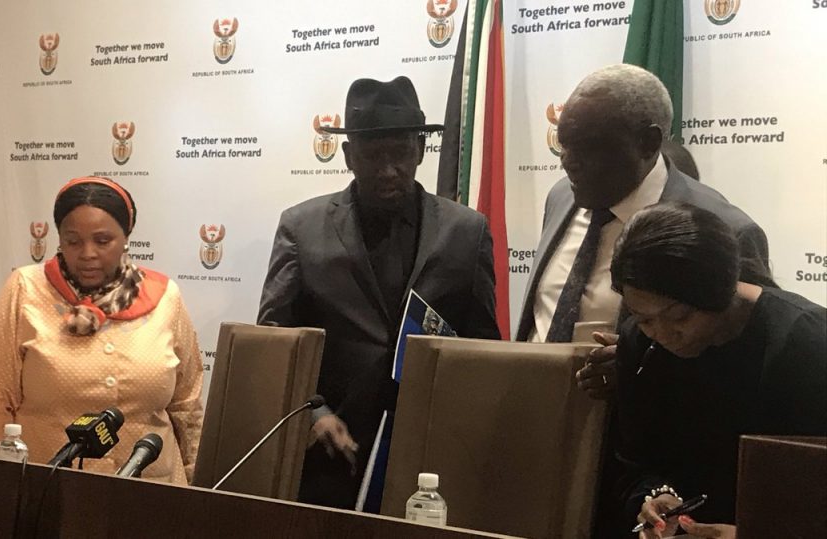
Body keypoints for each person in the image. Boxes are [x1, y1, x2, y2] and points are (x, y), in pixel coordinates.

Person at [258, 76, 500, 509]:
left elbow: (483, 348)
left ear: (420, 150)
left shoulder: (468, 232)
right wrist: (314, 414)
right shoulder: (301, 228)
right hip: (330, 457)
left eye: (401, 153)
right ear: (348, 155)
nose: (389, 169)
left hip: (431, 459)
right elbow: (276, 343)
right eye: (373, 155)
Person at [514, 64, 770, 400]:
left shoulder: (728, 231)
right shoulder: (562, 195)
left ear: (648, 142)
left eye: (588, 147)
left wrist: (647, 371)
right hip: (535, 408)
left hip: (643, 427)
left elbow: (749, 365)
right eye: (565, 146)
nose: (567, 162)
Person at [0, 177, 204, 485]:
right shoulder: (25, 290)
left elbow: (188, 407)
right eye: (73, 241)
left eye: (103, 241)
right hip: (48, 488)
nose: (88, 253)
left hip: (151, 492)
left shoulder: (165, 297)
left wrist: (198, 488)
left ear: (126, 237)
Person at [610, 202, 826, 538]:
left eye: (680, 316)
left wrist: (754, 533)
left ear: (720, 289)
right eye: (645, 319)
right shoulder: (640, 345)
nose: (664, 335)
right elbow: (635, 462)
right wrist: (654, 498)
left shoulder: (805, 342)